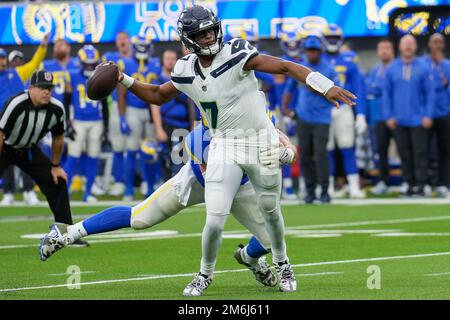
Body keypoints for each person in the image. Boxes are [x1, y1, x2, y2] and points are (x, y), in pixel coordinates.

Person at [99, 5, 354, 295]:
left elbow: (284, 66)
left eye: (211, 30)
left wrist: (324, 85)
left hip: (259, 142)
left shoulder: (236, 54)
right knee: (215, 217)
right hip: (224, 145)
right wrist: (123, 79)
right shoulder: (185, 69)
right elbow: (157, 95)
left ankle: (283, 263)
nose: (209, 37)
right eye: (201, 33)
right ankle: (204, 274)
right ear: (189, 38)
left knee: (270, 211)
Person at [39, 122, 298, 290]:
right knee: (141, 218)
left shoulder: (253, 121)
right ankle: (69, 232)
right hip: (198, 183)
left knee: (270, 238)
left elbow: (282, 139)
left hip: (242, 188)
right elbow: (211, 174)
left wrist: (287, 152)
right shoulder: (200, 137)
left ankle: (249, 258)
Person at [0, 70, 77, 231]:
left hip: (29, 150)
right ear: (31, 88)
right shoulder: (16, 104)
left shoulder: (56, 109)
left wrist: (55, 166)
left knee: (58, 180)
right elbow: (0, 134)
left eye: (49, 88)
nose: (46, 92)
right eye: (42, 87)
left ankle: (66, 233)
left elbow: (58, 138)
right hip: (5, 148)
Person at [282, 34, 337, 204]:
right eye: (309, 50)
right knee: (305, 154)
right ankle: (310, 190)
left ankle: (325, 190)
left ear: (320, 51)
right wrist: (285, 107)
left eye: (314, 50)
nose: (312, 54)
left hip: (322, 117)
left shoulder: (328, 69)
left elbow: (331, 92)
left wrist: (312, 84)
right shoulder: (301, 67)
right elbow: (289, 88)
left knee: (320, 154)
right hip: (303, 115)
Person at [383, 34, 434, 197]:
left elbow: (430, 93)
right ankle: (408, 183)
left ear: (415, 47)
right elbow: (386, 94)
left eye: (411, 44)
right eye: (405, 43)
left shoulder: (424, 67)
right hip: (399, 119)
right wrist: (389, 116)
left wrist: (428, 115)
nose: (408, 47)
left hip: (418, 118)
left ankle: (421, 184)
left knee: (420, 153)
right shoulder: (392, 68)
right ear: (399, 46)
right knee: (404, 153)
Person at [0, 35, 49, 204]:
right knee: (4, 155)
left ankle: (29, 190)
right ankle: (8, 192)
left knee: (26, 154)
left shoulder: (16, 73)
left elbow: (34, 63)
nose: (1, 61)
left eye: (2, 58)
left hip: (20, 121)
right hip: (1, 123)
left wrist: (42, 47)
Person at [322, 23, 367, 198]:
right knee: (328, 149)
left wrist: (361, 114)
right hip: (323, 109)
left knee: (347, 146)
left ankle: (354, 186)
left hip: (344, 108)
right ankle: (330, 186)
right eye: (329, 38)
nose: (332, 41)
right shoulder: (317, 58)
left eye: (335, 38)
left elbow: (358, 87)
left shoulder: (350, 59)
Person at [117, 35, 161, 200]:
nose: (142, 51)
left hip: (150, 110)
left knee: (150, 150)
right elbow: (121, 94)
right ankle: (128, 188)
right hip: (133, 109)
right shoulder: (126, 63)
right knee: (132, 149)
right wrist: (122, 117)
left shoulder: (156, 65)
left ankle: (150, 186)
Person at [63, 45, 107, 202]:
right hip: (79, 121)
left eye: (92, 63)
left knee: (93, 156)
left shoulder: (101, 76)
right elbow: (66, 100)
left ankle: (87, 192)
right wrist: (68, 122)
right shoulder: (72, 75)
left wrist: (106, 127)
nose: (89, 66)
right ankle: (65, 191)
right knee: (73, 156)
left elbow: (104, 104)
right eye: (87, 63)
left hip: (96, 121)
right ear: (80, 62)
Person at [151, 49, 195, 182]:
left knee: (180, 160)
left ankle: (180, 184)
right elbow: (154, 106)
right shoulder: (157, 80)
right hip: (165, 124)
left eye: (173, 58)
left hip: (182, 125)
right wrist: (159, 128)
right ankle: (164, 183)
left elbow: (191, 103)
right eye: (167, 58)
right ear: (162, 61)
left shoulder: (183, 78)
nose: (170, 61)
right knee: (164, 157)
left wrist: (193, 124)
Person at [102, 31, 132, 196]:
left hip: (136, 105)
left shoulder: (139, 58)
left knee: (137, 147)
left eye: (125, 38)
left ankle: (141, 182)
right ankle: (119, 181)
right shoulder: (111, 57)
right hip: (115, 105)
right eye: (119, 38)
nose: (122, 41)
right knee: (118, 147)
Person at [420, 33, 450, 197]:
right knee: (424, 149)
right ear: (429, 44)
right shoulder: (422, 64)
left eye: (440, 42)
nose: (437, 45)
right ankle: (425, 182)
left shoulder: (447, 65)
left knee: (445, 149)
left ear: (443, 45)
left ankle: (443, 183)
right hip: (426, 114)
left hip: (444, 112)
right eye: (434, 42)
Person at [366, 38, 395, 195]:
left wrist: (378, 87)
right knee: (380, 151)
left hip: (396, 117)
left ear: (392, 50)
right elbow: (370, 89)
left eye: (387, 48)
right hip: (378, 117)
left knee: (405, 151)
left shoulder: (397, 67)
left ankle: (409, 182)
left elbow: (381, 89)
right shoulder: (375, 70)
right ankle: (383, 181)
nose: (384, 51)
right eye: (381, 48)